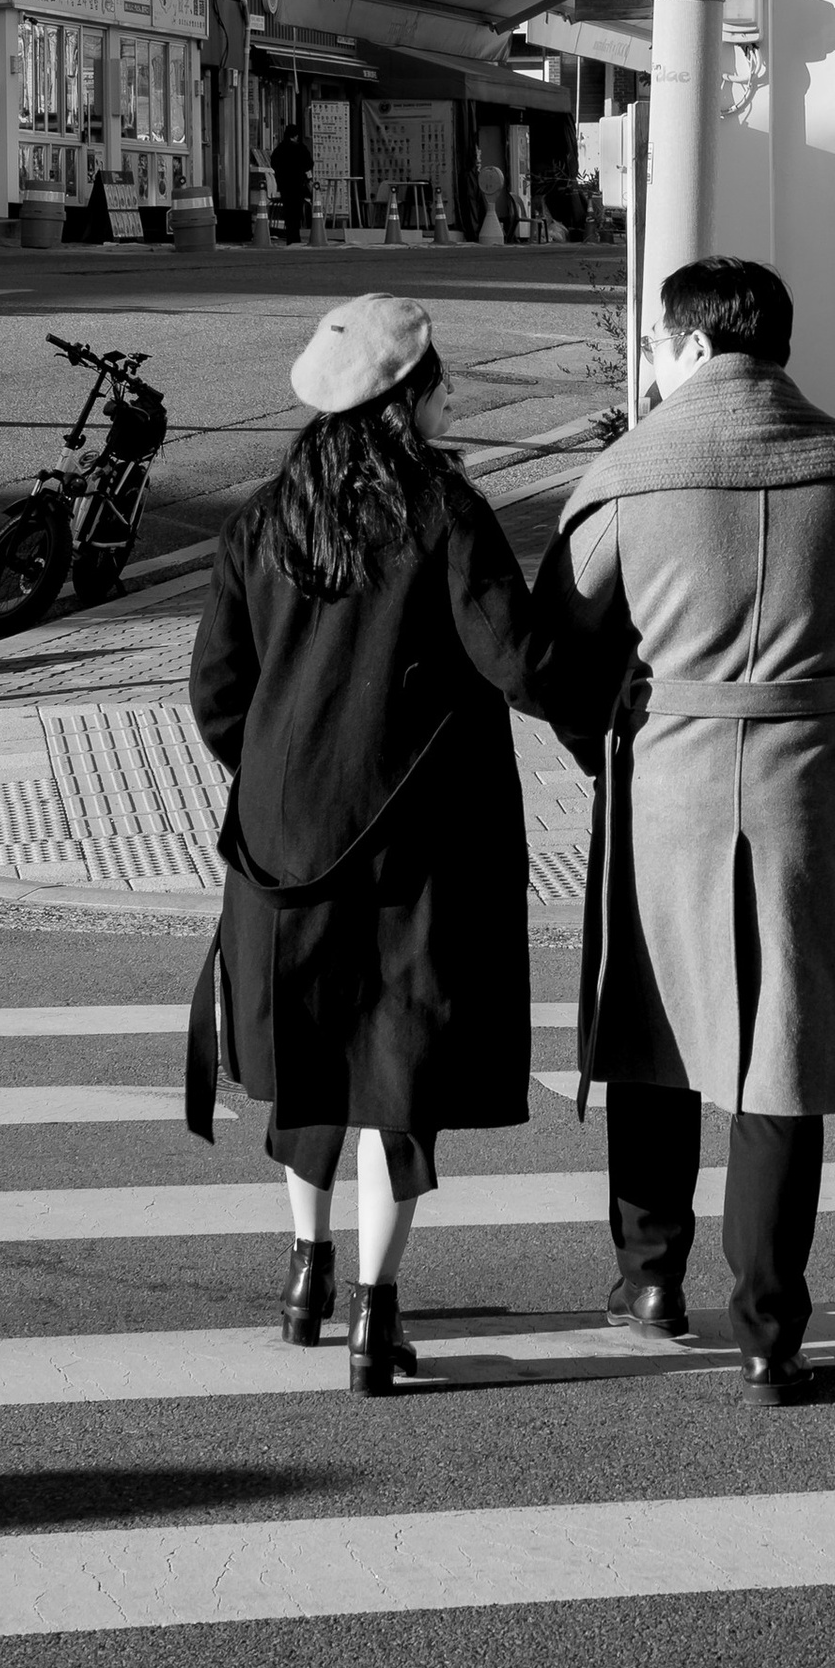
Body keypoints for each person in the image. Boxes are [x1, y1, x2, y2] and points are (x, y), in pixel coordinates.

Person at [528, 256, 835, 1399]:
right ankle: (770, 1329)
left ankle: (651, 1279)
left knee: (655, 1031)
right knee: (782, 1056)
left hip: (664, 777)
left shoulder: (625, 476)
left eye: (658, 346)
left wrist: (604, 745)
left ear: (692, 346)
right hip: (805, 783)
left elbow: (558, 653)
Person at [186, 293, 547, 1396]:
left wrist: (284, 773)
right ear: (409, 393)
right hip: (418, 843)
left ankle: (305, 1273)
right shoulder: (445, 511)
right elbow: (517, 659)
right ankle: (374, 1316)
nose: (452, 394)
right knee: (398, 1068)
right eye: (441, 377)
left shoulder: (265, 515)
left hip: (285, 844)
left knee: (305, 1059)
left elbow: (215, 692)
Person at [269, 115, 313, 248]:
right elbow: (309, 164)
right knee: (297, 211)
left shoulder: (280, 149)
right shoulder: (301, 148)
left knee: (288, 211)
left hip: (284, 184)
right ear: (296, 136)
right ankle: (296, 237)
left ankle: (290, 237)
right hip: (298, 184)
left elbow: (273, 163)